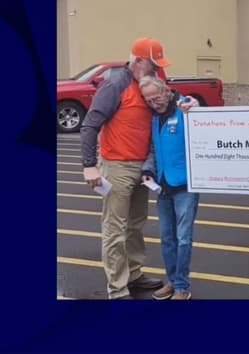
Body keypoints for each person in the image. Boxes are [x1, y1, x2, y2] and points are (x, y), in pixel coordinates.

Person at [80, 37, 169, 300]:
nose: (158, 70)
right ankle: (118, 290)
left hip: (142, 168)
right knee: (115, 229)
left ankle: (133, 275)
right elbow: (90, 125)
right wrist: (89, 166)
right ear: (139, 61)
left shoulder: (147, 84)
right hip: (117, 166)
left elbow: (170, 102)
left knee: (135, 226)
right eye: (154, 65)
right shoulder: (115, 84)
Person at [139, 76, 200, 300]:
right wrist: (149, 170)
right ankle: (172, 281)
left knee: (183, 238)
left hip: (185, 185)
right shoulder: (155, 117)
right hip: (162, 186)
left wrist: (196, 108)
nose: (154, 103)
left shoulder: (185, 108)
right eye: (148, 101)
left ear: (166, 91)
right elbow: (154, 150)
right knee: (167, 238)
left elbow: (206, 127)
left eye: (156, 98)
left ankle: (182, 286)